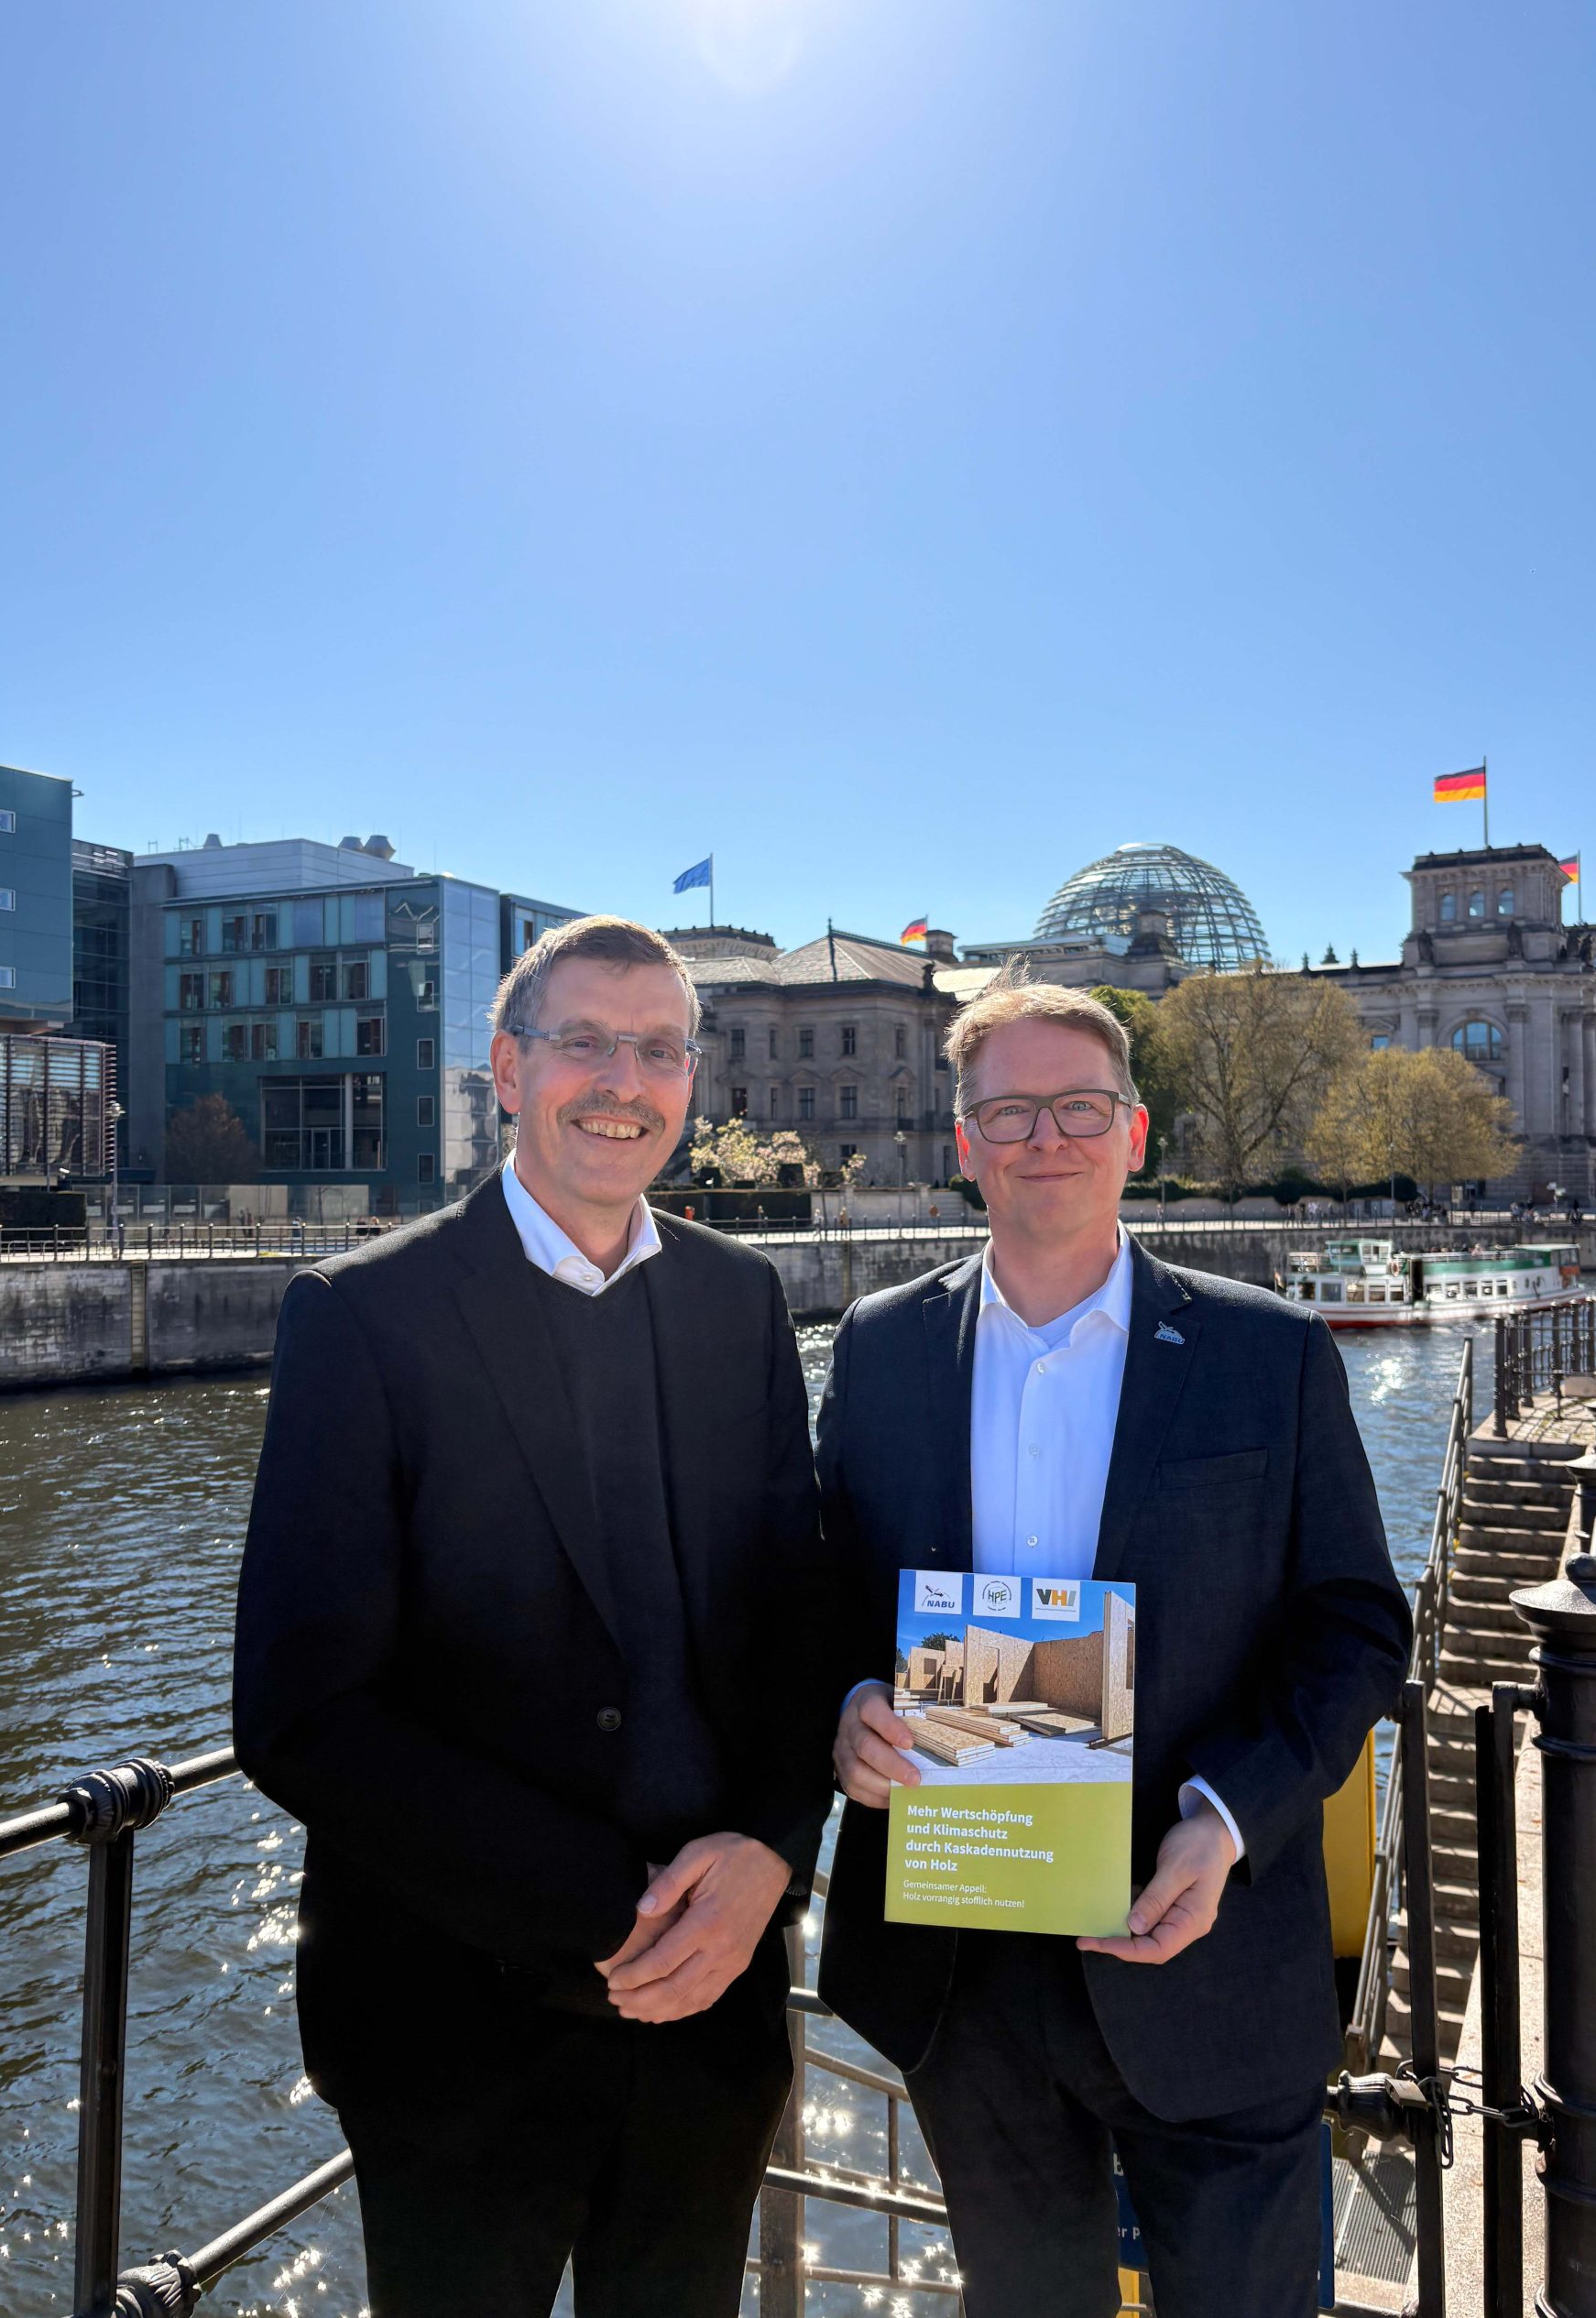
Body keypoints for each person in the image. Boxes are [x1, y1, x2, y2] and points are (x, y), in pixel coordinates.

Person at [234, 915, 832, 2318]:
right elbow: (300, 1711)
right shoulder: (363, 1317)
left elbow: (798, 1616)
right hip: (456, 2030)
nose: (623, 1080)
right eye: (584, 1042)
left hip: (712, 2010)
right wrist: (613, 1908)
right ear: (506, 1071)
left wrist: (772, 1855)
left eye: (660, 1049)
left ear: (693, 1079)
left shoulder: (740, 1301)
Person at [815, 975, 1411, 2318]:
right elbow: (820, 1591)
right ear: (963, 1139)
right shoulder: (880, 1347)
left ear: (1135, 1133)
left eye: (1079, 1106)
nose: (1047, 1138)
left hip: (1201, 1941)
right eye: (1010, 1110)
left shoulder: (1272, 1351)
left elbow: (1358, 1622)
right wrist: (848, 1699)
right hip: (963, 1964)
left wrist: (1226, 1818)